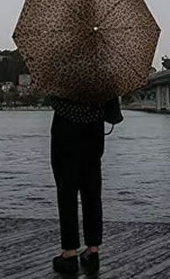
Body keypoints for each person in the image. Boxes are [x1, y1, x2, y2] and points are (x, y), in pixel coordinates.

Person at [49, 95, 117, 275]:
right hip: (93, 128)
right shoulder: (103, 69)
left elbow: (53, 98)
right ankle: (92, 251)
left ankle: (69, 252)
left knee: (66, 191)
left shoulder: (62, 69)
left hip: (65, 127)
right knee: (92, 190)